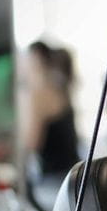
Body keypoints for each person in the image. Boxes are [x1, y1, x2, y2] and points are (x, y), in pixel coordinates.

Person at [19, 41, 80, 187]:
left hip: (56, 179)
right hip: (72, 172)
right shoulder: (59, 87)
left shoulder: (40, 93)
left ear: (36, 58)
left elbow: (32, 143)